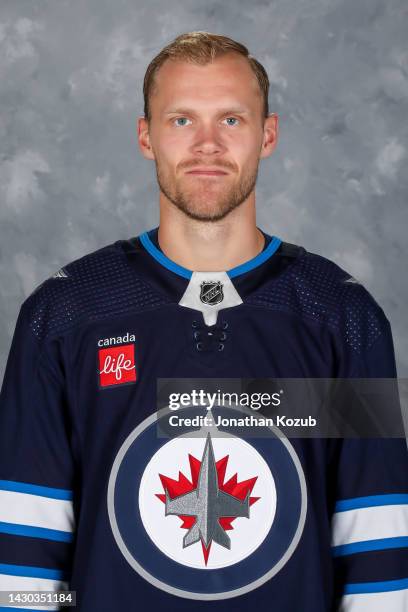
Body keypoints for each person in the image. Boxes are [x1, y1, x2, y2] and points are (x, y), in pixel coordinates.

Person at [0, 31, 407, 612]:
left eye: (233, 120)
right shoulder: (65, 315)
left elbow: (378, 554)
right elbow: (23, 557)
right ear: (147, 136)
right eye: (183, 120)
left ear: (268, 135)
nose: (208, 145)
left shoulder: (344, 319)